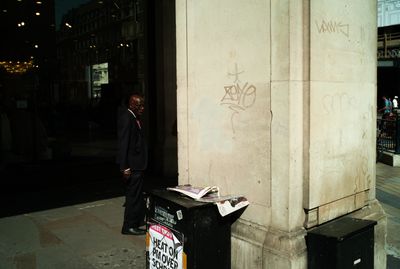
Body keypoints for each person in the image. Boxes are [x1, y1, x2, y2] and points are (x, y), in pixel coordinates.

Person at [117, 93, 147, 236]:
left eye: (143, 105)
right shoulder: (127, 118)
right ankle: (129, 226)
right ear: (132, 105)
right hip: (132, 166)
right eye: (139, 105)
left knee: (136, 195)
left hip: (138, 165)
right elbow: (123, 144)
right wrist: (124, 167)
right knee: (132, 197)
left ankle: (135, 222)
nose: (142, 108)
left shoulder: (134, 117)